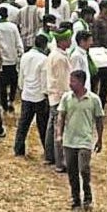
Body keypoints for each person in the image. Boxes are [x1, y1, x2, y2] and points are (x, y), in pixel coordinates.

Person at [56, 70, 104, 211]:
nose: (70, 84)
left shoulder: (94, 99)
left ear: (82, 82)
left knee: (83, 169)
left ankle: (87, 196)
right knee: (72, 171)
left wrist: (99, 139)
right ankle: (75, 198)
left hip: (85, 140)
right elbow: (61, 117)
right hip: (69, 140)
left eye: (73, 81)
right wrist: (59, 134)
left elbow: (99, 120)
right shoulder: (66, 98)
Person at [14, 34, 50, 157]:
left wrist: (22, 88)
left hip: (26, 94)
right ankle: (48, 151)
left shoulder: (25, 56)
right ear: (45, 45)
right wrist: (46, 94)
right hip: (39, 96)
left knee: (23, 124)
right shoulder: (44, 59)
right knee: (43, 126)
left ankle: (18, 149)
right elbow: (44, 80)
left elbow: (21, 75)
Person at [45, 29, 72, 171]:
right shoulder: (60, 58)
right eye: (68, 39)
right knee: (59, 129)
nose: (71, 41)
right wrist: (67, 98)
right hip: (59, 96)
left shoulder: (54, 55)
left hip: (53, 95)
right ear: (62, 41)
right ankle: (60, 162)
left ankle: (50, 155)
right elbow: (63, 81)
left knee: (52, 127)